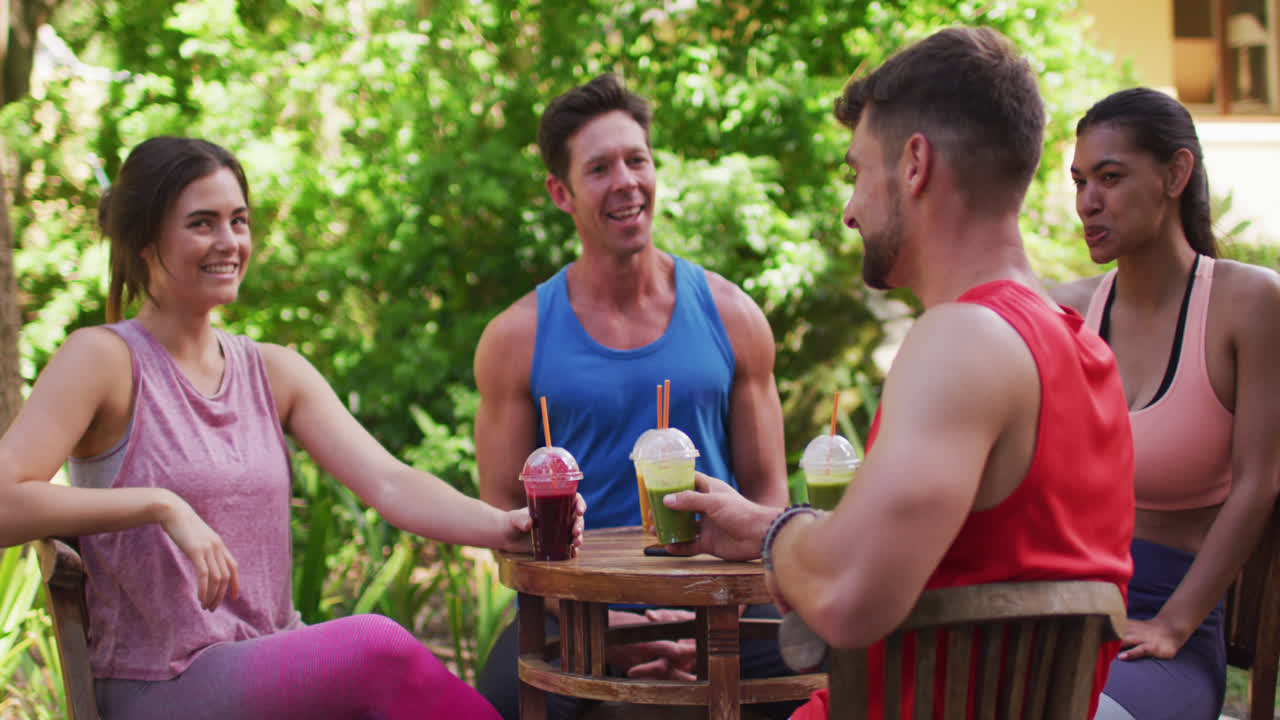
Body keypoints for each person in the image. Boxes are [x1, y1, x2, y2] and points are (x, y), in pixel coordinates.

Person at [0, 136, 583, 720]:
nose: (229, 242)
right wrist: (158, 504)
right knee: (374, 649)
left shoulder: (272, 371)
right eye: (202, 223)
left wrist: (504, 527)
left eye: (238, 221)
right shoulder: (102, 360)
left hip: (270, 668)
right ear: (147, 241)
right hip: (162, 684)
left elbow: (388, 482)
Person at [662, 27, 1136, 718]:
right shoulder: (1079, 347)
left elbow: (849, 597)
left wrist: (774, 537)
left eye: (856, 171)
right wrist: (774, 526)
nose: (851, 209)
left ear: (914, 164)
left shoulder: (961, 339)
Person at [472, 73, 792, 719]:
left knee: (838, 666)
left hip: (723, 602)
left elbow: (769, 497)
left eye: (636, 159)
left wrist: (706, 616)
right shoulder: (515, 337)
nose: (625, 180)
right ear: (560, 192)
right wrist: (609, 625)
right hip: (574, 613)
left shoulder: (733, 315)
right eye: (599, 168)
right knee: (497, 702)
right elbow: (503, 519)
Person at [1050, 88, 1280, 720]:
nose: (1087, 202)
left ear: (1176, 174)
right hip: (1056, 613)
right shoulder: (1070, 311)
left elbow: (1259, 483)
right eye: (1079, 181)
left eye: (1110, 177)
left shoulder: (1249, 303)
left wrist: (1176, 623)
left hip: (1164, 631)